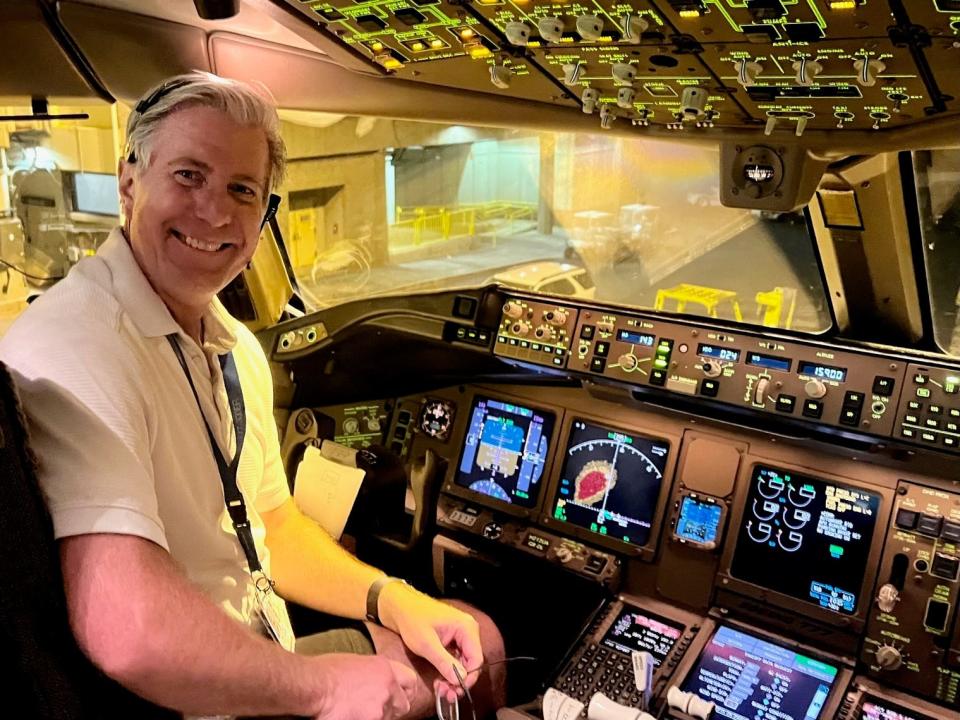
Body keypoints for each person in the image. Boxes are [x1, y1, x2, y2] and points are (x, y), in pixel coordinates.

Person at [0, 72, 505, 720]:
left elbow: (272, 524)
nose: (214, 213)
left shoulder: (232, 343)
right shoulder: (81, 342)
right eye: (188, 175)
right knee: (475, 650)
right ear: (130, 183)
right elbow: (125, 626)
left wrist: (393, 597)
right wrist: (324, 690)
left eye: (242, 190)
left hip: (260, 653)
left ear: (265, 218)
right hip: (180, 702)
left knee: (460, 636)